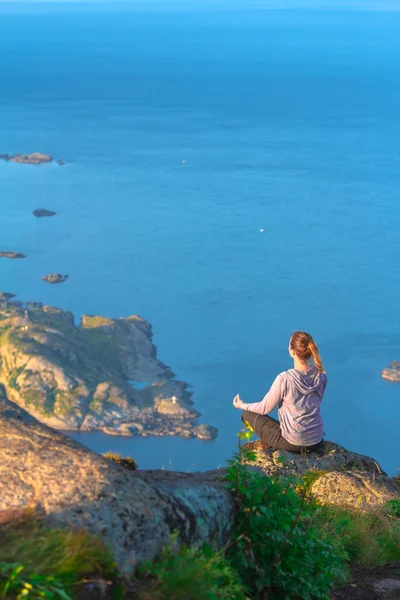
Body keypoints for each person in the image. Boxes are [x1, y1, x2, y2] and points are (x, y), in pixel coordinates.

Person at [233, 331, 327, 452]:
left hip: (293, 443)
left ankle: (270, 446)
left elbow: (264, 408)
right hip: (316, 440)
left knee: (246, 414)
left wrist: (241, 405)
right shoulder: (321, 376)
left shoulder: (285, 378)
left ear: (292, 351)